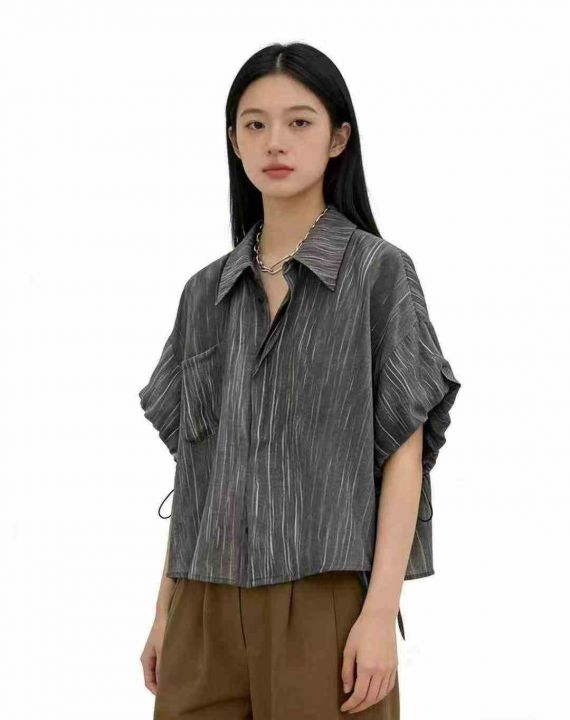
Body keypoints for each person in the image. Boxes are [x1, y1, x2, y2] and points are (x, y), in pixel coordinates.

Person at [138, 42, 461, 720]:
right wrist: (165, 610)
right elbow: (195, 471)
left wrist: (380, 614)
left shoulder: (378, 276)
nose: (274, 142)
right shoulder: (204, 294)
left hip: (323, 600)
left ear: (338, 138)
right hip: (203, 603)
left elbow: (403, 458)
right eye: (254, 124)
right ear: (234, 140)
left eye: (299, 122)